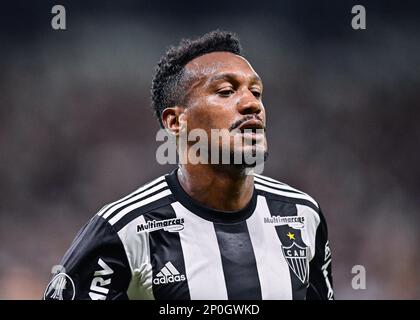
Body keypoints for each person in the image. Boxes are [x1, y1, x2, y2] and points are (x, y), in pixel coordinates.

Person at [44, 30, 333, 300]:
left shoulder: (302, 214)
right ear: (175, 121)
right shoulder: (124, 229)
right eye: (225, 91)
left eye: (256, 92)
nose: (252, 104)